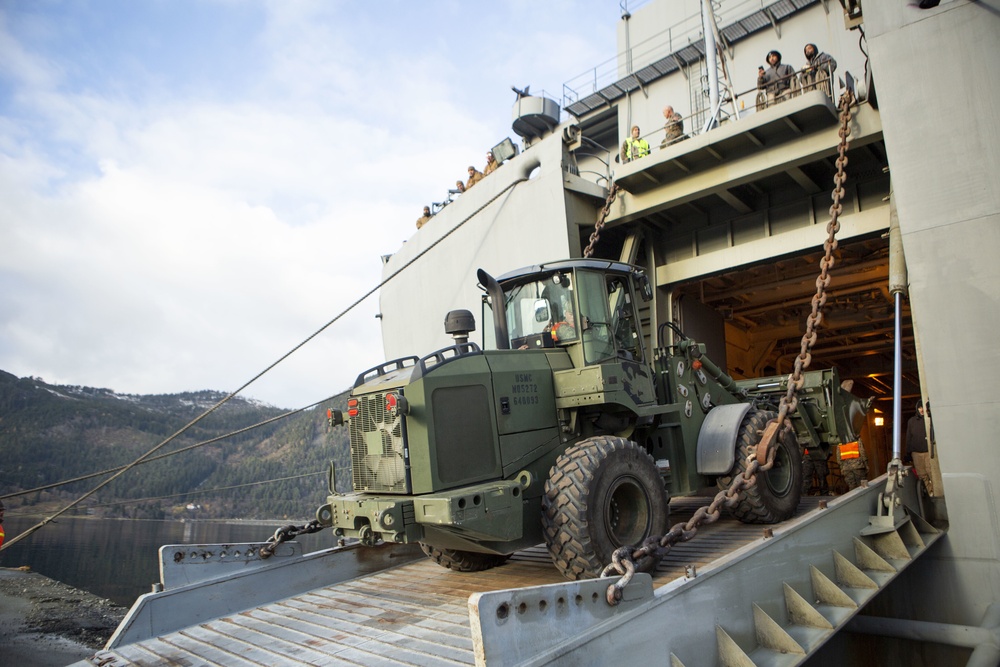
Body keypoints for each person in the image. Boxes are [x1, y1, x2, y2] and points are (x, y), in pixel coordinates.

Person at [906, 399, 934, 495]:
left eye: (923, 407)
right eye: (920, 408)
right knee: (922, 475)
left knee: (931, 472)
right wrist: (908, 452)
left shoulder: (930, 420)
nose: (921, 410)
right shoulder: (911, 421)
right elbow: (908, 437)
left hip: (928, 451)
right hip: (916, 453)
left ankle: (936, 491)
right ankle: (930, 493)